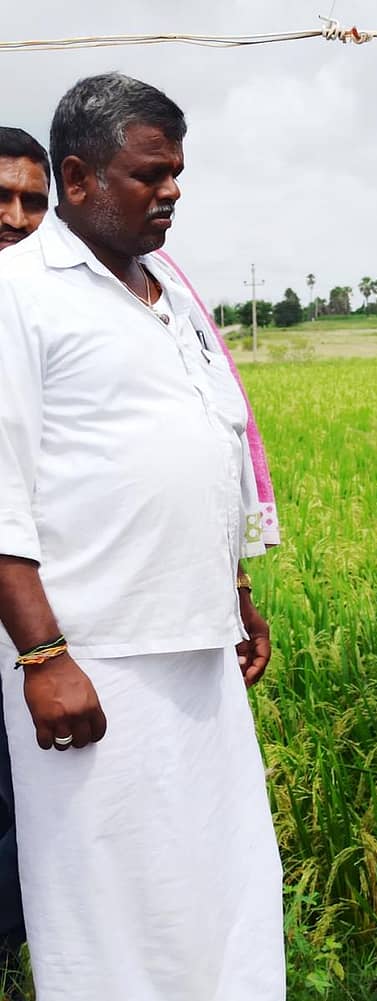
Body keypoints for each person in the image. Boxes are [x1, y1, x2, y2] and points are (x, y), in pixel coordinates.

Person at [0, 73, 285, 1000]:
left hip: (198, 647)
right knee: (109, 900)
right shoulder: (16, 291)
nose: (170, 192)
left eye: (177, 175)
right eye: (148, 175)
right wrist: (43, 653)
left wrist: (235, 592)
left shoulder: (167, 288)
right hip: (94, 654)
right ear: (76, 178)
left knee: (221, 880)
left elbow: (214, 441)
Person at [0, 126, 50, 988]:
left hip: (29, 603)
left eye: (33, 203)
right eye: (0, 199)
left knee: (17, 795)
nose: (14, 217)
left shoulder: (52, 307)